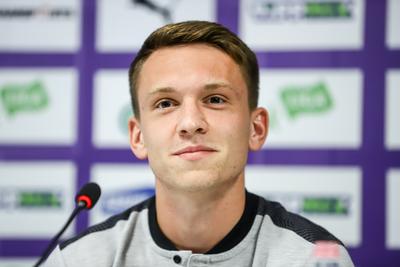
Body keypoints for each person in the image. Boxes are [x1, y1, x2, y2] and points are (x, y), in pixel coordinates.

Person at [43, 20, 354, 266]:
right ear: (138, 137)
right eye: (165, 103)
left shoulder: (312, 259)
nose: (191, 123)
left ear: (256, 129)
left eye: (215, 99)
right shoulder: (78, 260)